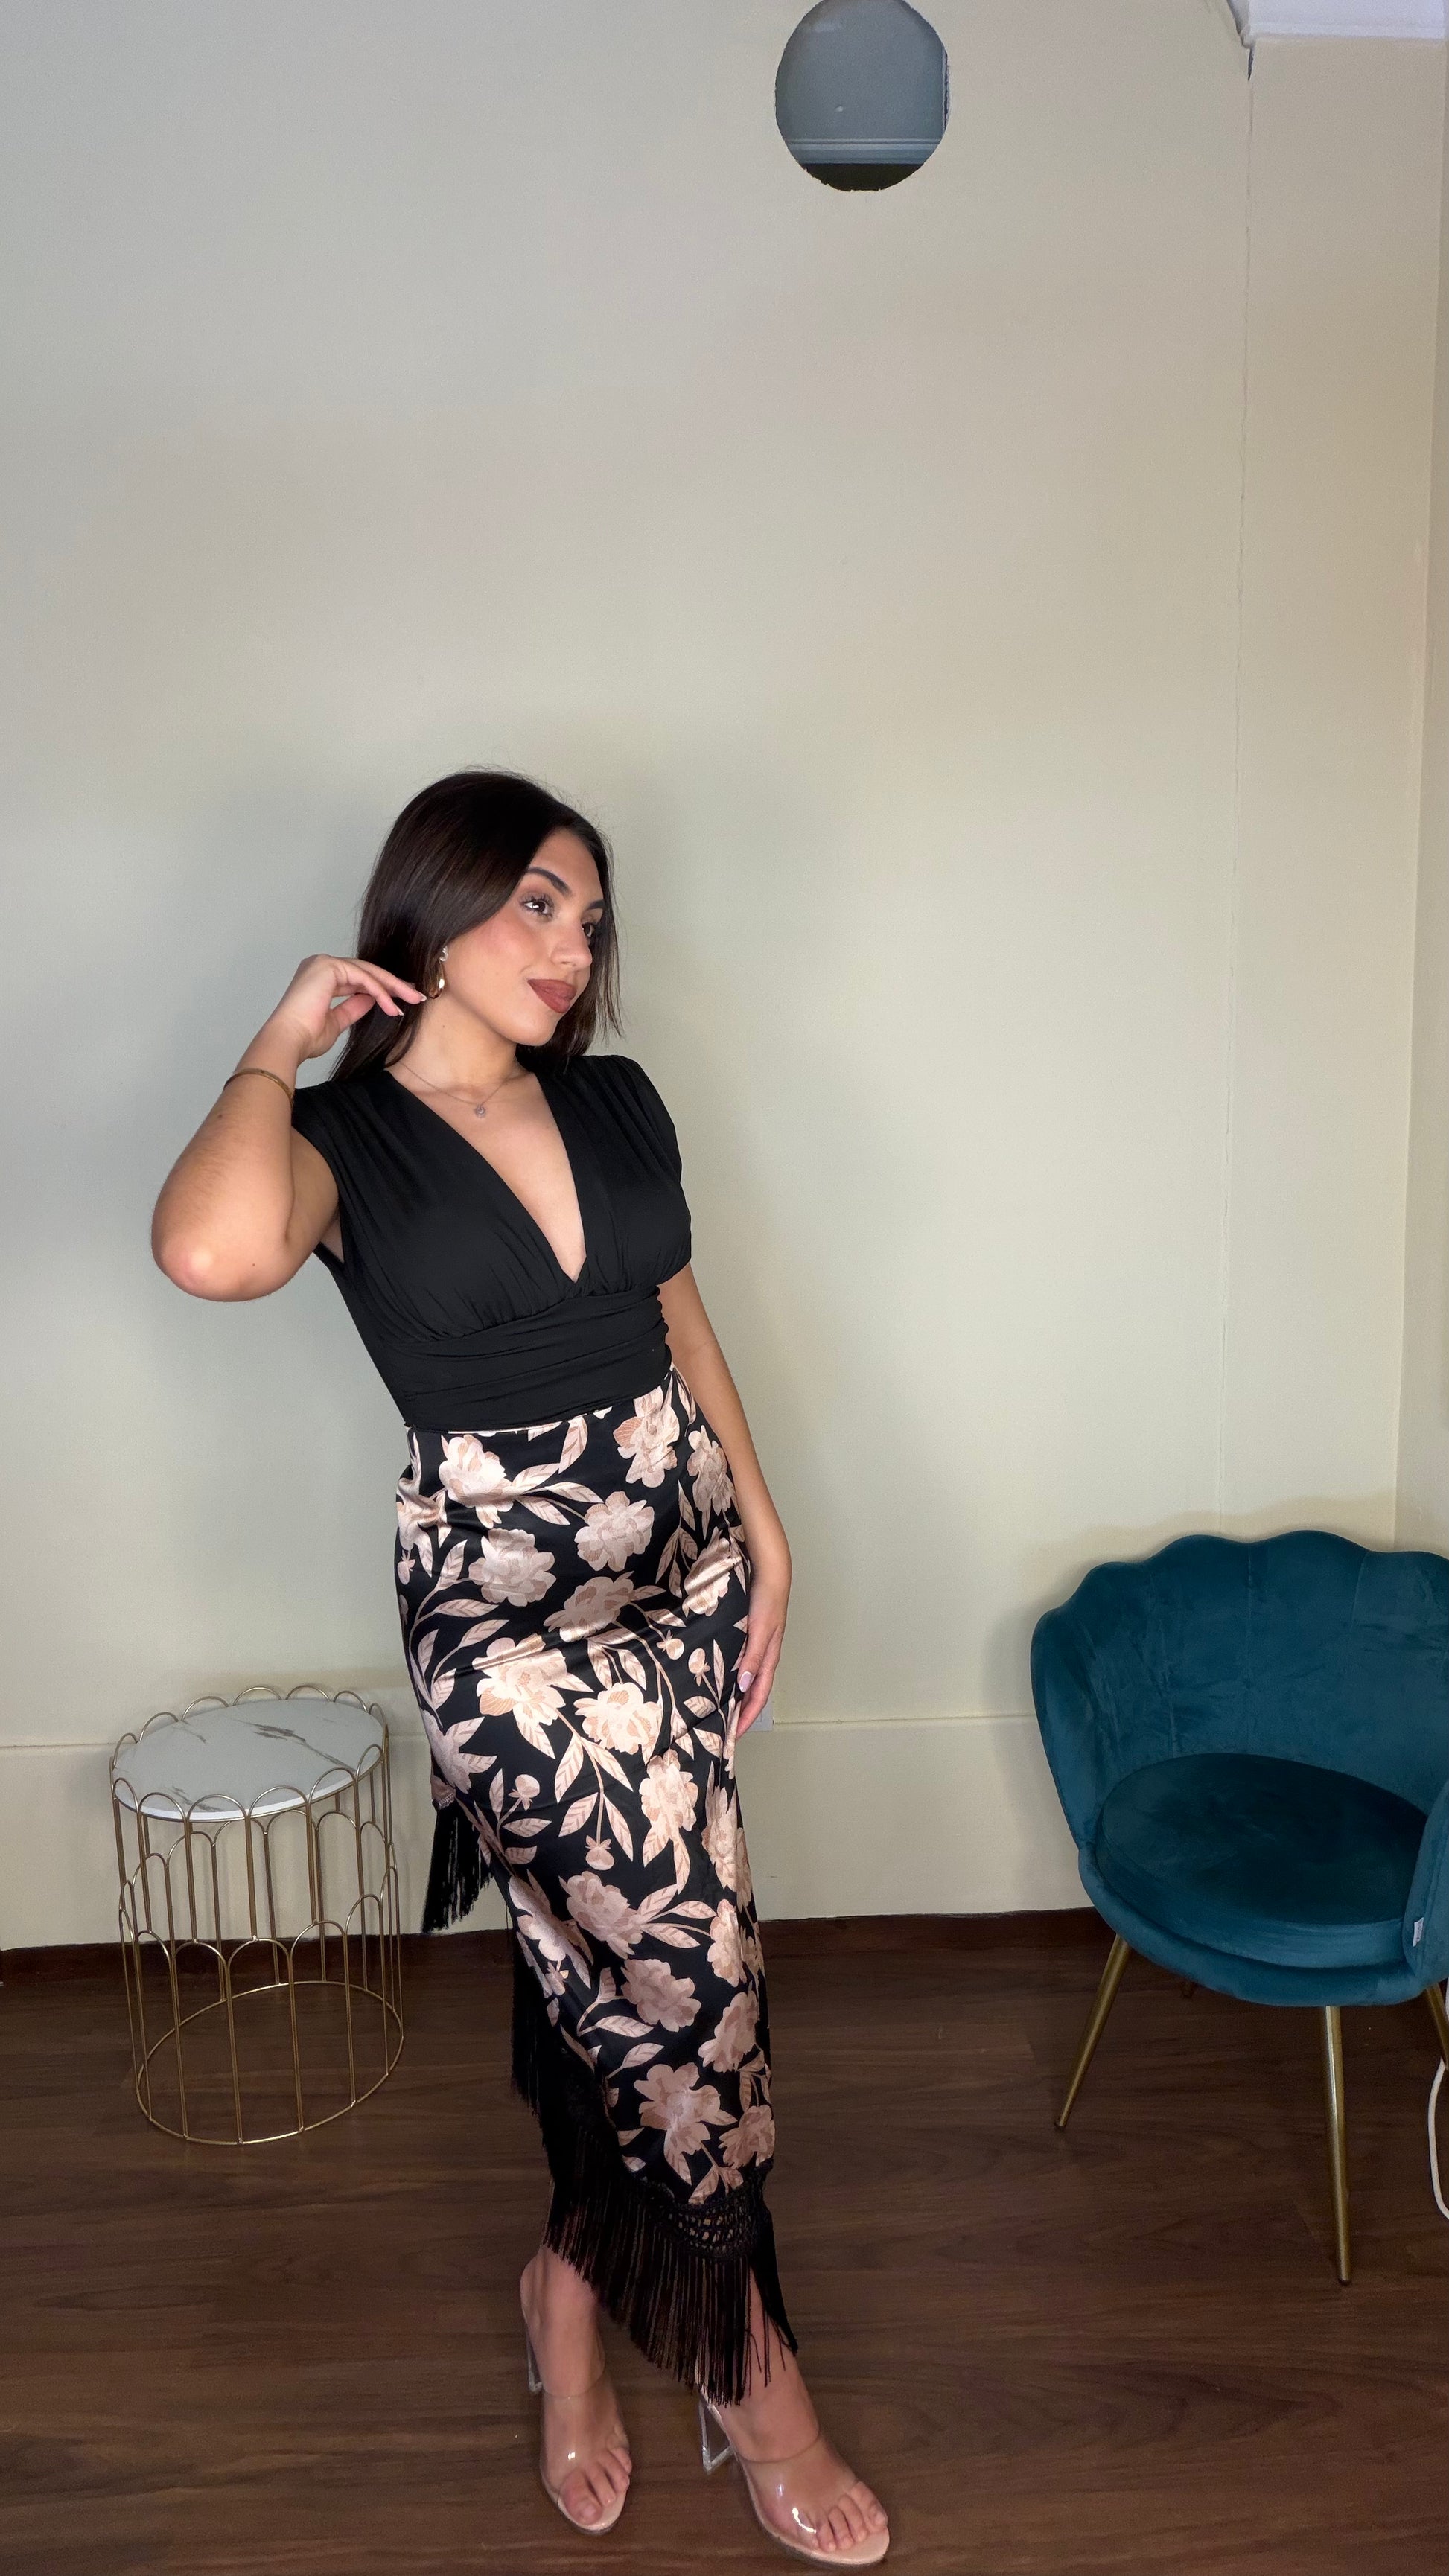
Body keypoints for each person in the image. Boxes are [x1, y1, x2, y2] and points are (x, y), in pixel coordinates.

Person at [152, 770, 890, 2565]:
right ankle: (754, 2377)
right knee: (697, 1992)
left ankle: (568, 2287)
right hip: (509, 1624)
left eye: (589, 916)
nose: (570, 947)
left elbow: (676, 1314)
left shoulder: (616, 1097)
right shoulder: (341, 1140)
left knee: (616, 1972)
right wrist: (280, 1036)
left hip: (685, 1568)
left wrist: (767, 1522)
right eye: (535, 902)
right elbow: (209, 1247)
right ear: (432, 906)